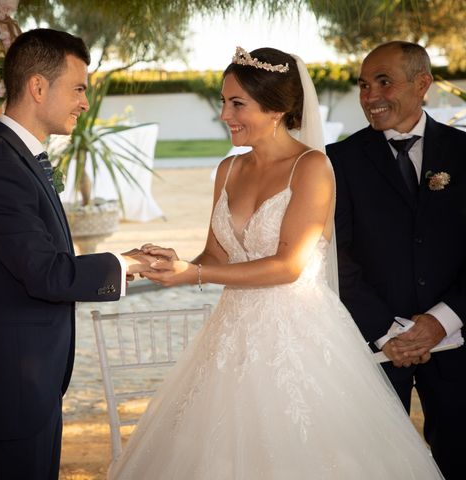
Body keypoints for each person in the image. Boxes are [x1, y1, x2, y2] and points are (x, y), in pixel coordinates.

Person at [107, 47, 444, 479]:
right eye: (224, 101)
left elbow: (289, 266)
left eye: (236, 103)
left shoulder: (312, 167)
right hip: (230, 338)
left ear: (277, 109)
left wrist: (195, 274)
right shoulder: (227, 169)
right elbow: (216, 254)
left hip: (298, 339)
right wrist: (172, 264)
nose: (225, 114)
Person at [0, 28, 152, 479]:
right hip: (8, 388)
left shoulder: (16, 158)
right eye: (77, 89)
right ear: (38, 87)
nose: (84, 103)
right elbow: (46, 274)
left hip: (25, 386)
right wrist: (126, 263)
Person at [326, 41, 466, 479]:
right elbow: (338, 258)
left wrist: (441, 320)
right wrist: (389, 333)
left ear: (422, 83)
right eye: (364, 86)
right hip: (376, 345)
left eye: (383, 82)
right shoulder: (338, 161)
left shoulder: (465, 152)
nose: (370, 97)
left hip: (460, 343)